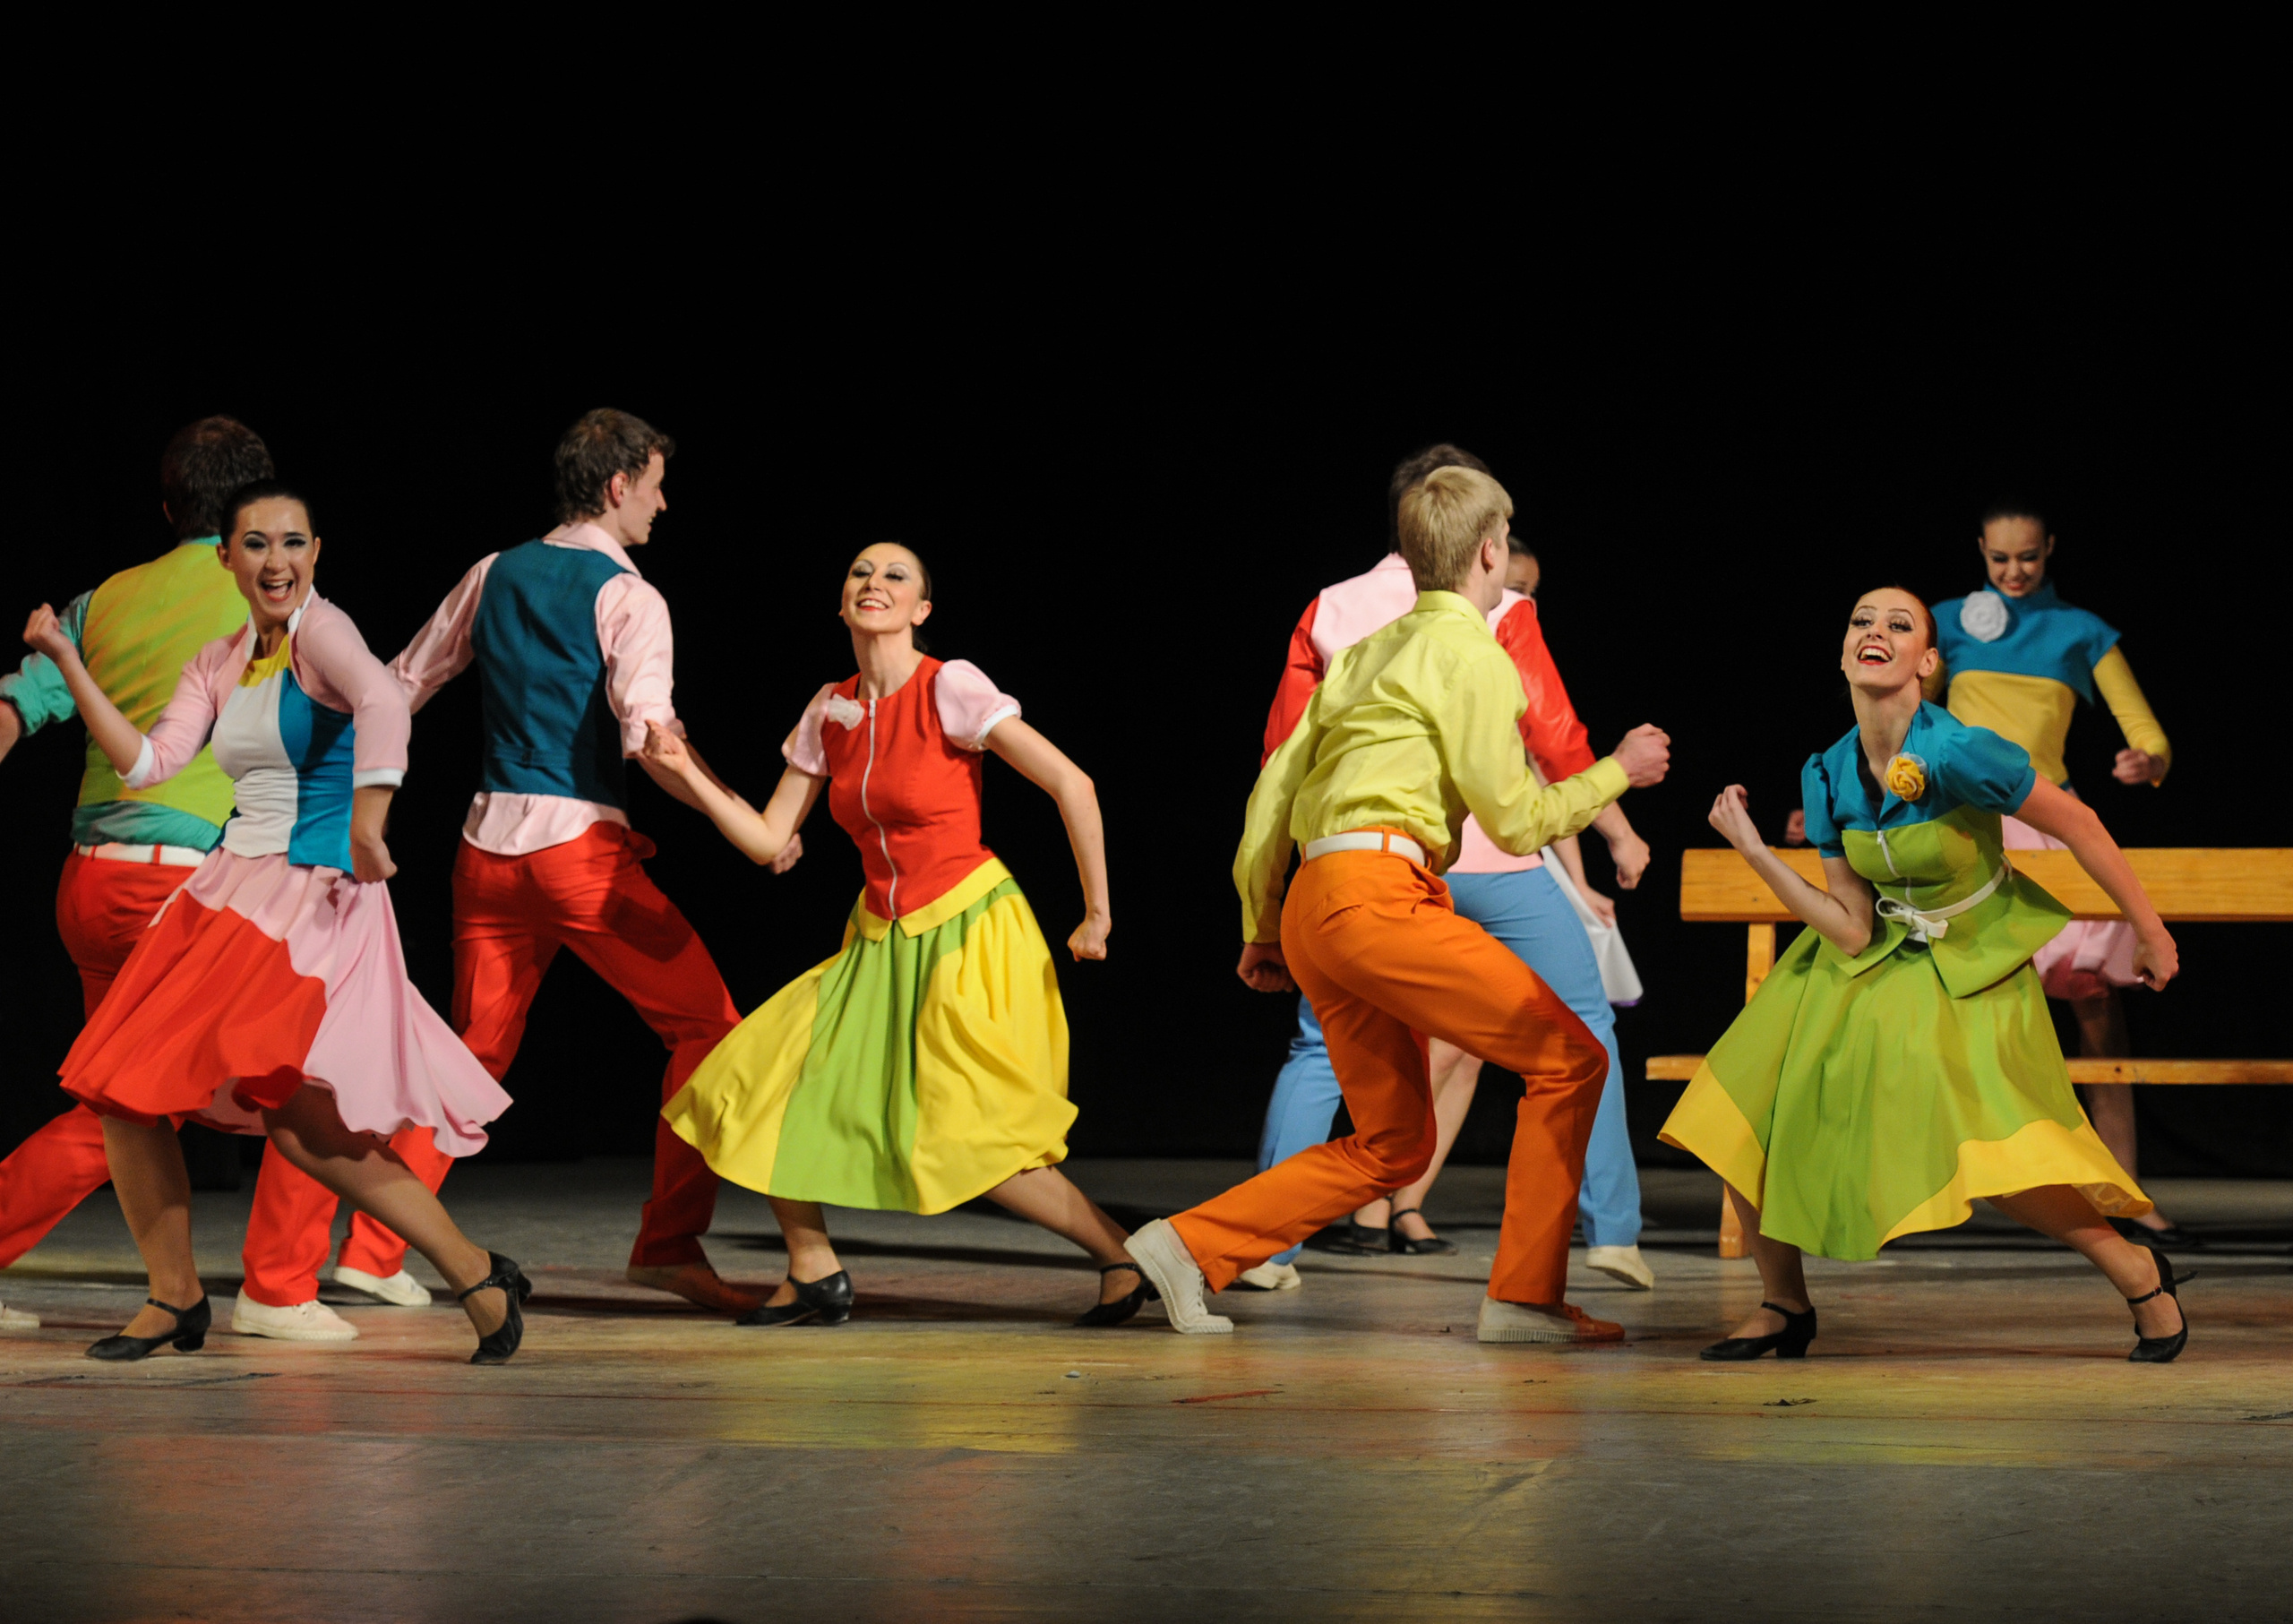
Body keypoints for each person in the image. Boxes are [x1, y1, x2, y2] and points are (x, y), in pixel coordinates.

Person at [1122, 466, 1671, 1341]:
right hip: (1381, 896)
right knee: (1569, 1060)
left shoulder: (1366, 653)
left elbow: (1273, 793)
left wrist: (1262, 924)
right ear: (1492, 551)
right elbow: (1517, 818)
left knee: (1395, 1143)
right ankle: (1524, 1297)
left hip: (1319, 900)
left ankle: (1188, 1245)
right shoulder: (1477, 656)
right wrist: (1617, 771)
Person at [22, 481, 527, 1363]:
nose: (276, 561)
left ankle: (468, 1270)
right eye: (255, 545)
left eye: (292, 543)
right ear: (226, 559)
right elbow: (150, 762)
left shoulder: (321, 632)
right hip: (228, 892)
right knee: (233, 1113)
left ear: (316, 553)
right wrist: (69, 662)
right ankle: (190, 1294)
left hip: (310, 898)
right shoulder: (218, 659)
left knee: (243, 1108)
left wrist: (370, 820)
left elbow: (380, 702)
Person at [1663, 588, 2186, 1364]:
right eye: (1861, 622)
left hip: (1974, 956)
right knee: (1741, 1090)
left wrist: (2147, 927)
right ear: (1843, 652)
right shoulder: (1829, 770)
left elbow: (2079, 824)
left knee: (1991, 1147)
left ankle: (2136, 1269)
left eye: (1899, 625)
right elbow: (1848, 924)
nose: (1876, 631)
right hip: (1877, 952)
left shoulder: (1961, 750)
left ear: (1928, 662)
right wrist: (1757, 852)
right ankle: (1783, 1301)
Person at [653, 542, 1145, 1327]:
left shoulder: (948, 684)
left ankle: (1122, 1254)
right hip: (880, 936)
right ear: (840, 601)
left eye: (895, 576)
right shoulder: (830, 708)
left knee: (973, 1134)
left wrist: (1097, 912)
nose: (872, 583)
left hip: (967, 929)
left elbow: (1071, 782)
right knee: (756, 1080)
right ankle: (813, 1266)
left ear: (920, 610)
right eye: (859, 572)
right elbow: (765, 836)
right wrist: (685, 772)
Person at [0, 417, 414, 1344]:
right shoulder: (272, 597)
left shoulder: (104, 598)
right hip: (192, 890)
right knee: (291, 1075)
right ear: (241, 524)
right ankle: (276, 1285)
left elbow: (19, 702)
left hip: (91, 885)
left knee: (117, 1093)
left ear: (166, 506)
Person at [366, 409, 765, 1314]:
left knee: (473, 1056)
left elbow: (395, 685)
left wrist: (347, 803)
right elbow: (654, 741)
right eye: (657, 484)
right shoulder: (631, 597)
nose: (664, 504)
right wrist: (746, 821)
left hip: (484, 853)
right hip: (578, 857)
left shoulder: (491, 570)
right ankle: (667, 1244)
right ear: (618, 485)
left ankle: (375, 1248)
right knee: (710, 1031)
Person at [1933, 505, 2180, 1242]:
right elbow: (1893, 714)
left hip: (2047, 820)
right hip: (1966, 824)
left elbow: (2147, 728)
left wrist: (2149, 760)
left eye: (2028, 559)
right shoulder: (1943, 621)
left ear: (2049, 552)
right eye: (2000, 558)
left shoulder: (2081, 631)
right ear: (1980, 550)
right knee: (1958, 1009)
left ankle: (2123, 1191)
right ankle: (1949, 1182)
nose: (2013, 572)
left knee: (2096, 1002)